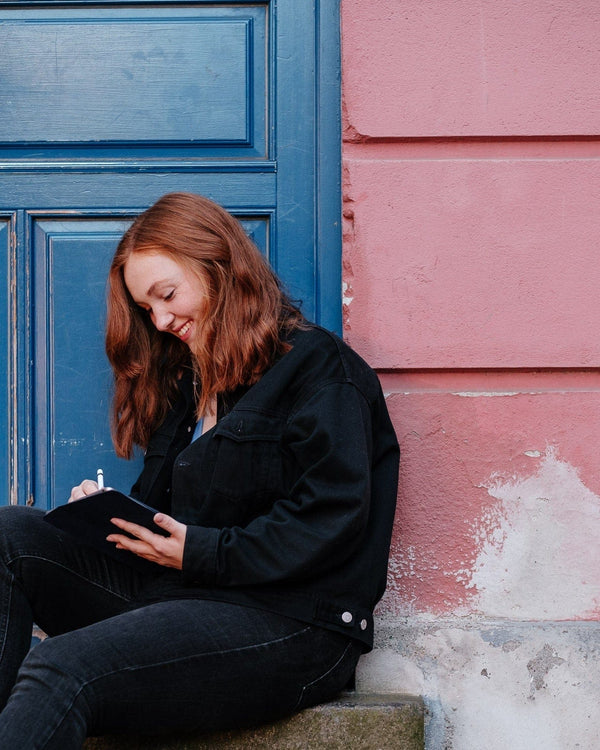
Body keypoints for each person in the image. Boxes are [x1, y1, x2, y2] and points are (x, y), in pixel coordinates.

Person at [0, 192, 399, 748]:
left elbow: (330, 522)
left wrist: (199, 552)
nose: (161, 321)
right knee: (9, 533)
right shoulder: (192, 385)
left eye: (167, 295)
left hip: (292, 624)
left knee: (60, 666)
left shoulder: (321, 371)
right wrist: (104, 520)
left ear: (219, 267)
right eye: (147, 309)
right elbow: (168, 519)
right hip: (178, 598)